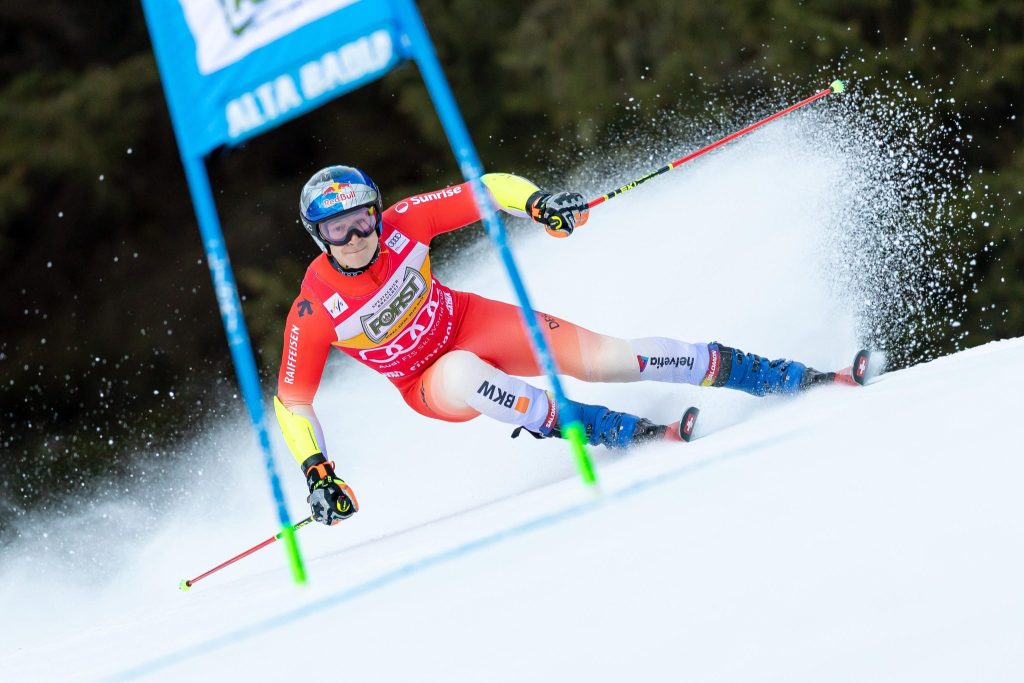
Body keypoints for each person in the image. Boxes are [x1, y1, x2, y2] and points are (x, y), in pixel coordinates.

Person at [275, 165, 861, 525]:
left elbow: (489, 189)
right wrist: (318, 474)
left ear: (377, 213)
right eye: (335, 229)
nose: (354, 238)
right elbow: (291, 401)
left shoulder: (406, 222)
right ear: (317, 236)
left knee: (609, 358)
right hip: (427, 383)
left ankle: (771, 375)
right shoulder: (314, 306)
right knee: (459, 373)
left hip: (473, 322)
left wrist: (537, 204)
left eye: (361, 220)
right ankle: (595, 426)